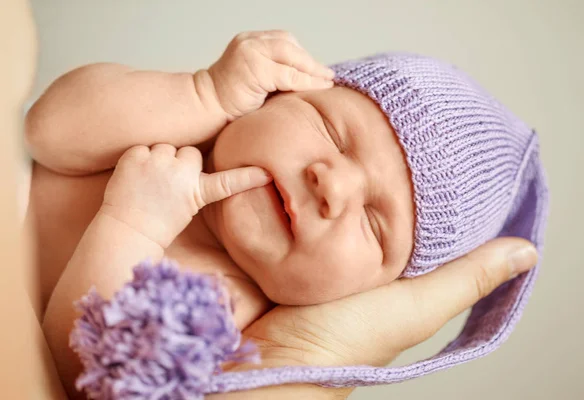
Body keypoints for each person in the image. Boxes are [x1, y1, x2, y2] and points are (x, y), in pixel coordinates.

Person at [24, 30, 545, 398]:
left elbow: (78, 377)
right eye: (333, 132)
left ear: (371, 292)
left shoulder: (225, 312)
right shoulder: (176, 125)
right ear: (280, 91)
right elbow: (47, 129)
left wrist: (129, 227)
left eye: (373, 223)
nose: (333, 186)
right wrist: (204, 91)